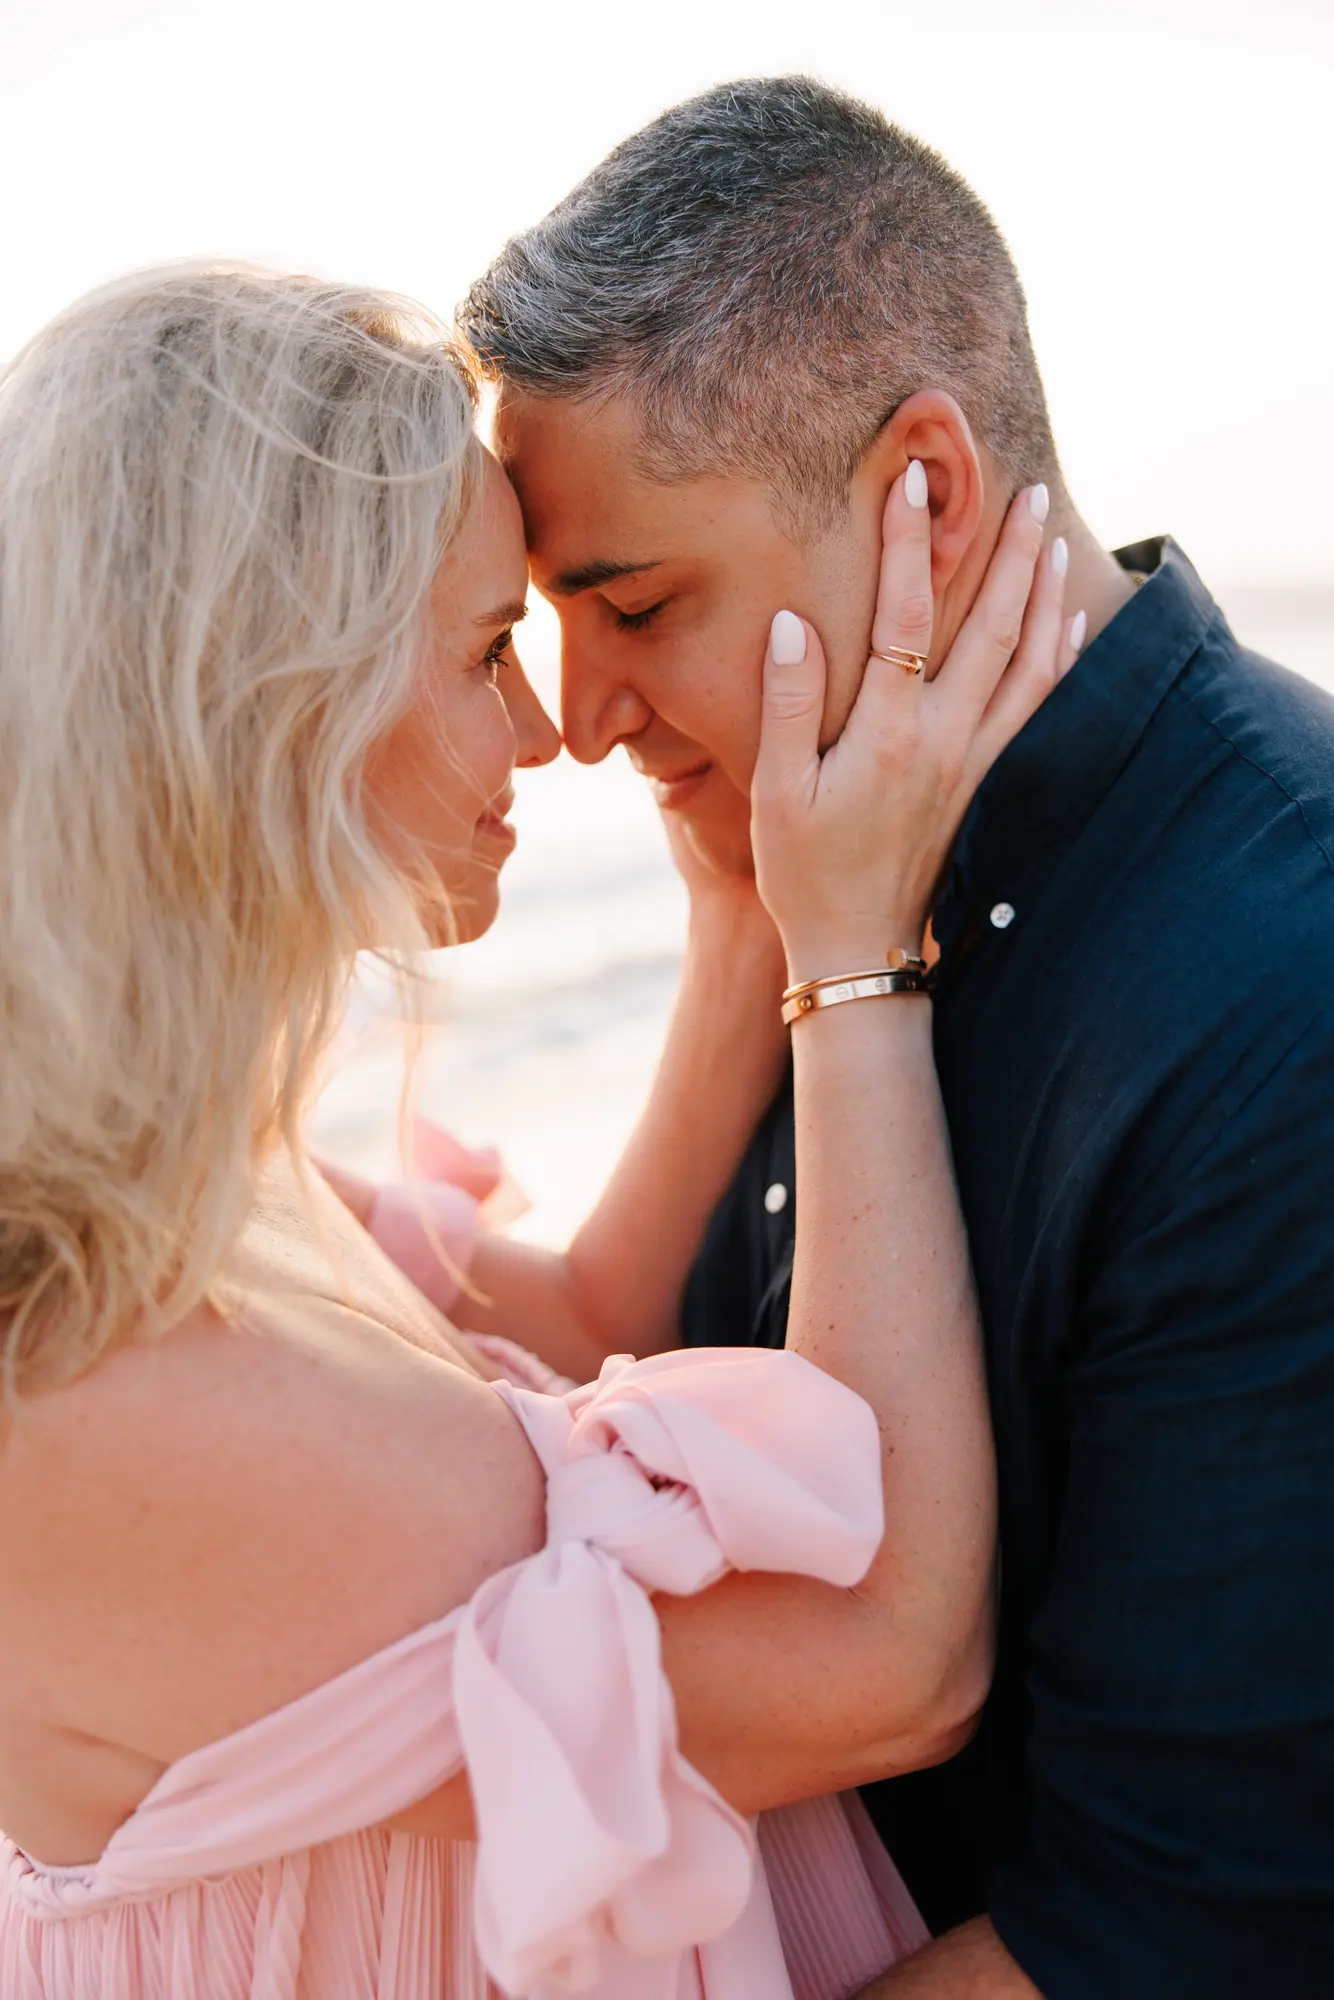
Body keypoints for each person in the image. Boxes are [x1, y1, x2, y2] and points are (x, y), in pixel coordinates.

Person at [0, 263, 1071, 1997]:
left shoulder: (176, 1179)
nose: (549, 727)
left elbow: (573, 1324)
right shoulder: (86, 1368)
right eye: (490, 649)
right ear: (275, 701)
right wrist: (852, 961)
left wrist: (739, 913)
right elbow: (884, 1662)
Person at [459, 75, 1334, 1997]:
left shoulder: (1283, 1005)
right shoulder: (823, 848)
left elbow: (1169, 1936)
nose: (577, 713)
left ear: (921, 494)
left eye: (633, 603)